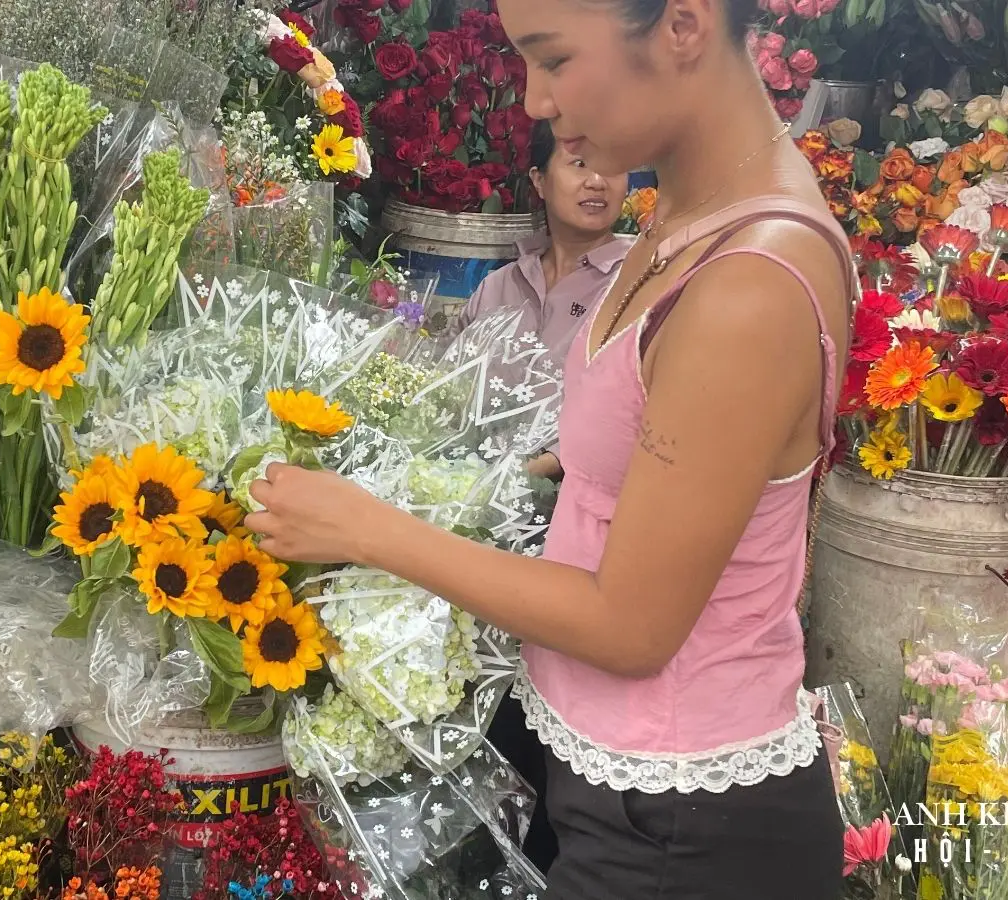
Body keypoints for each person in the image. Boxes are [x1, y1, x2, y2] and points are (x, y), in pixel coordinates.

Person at [242, 0, 855, 894]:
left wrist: (369, 530)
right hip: (618, 789)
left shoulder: (747, 284)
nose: (533, 100)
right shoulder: (692, 215)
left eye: (553, 58)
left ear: (682, 25)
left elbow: (632, 625)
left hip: (679, 828)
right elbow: (653, 455)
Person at [451, 121, 633, 482]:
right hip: (464, 488)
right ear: (539, 180)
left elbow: (641, 410)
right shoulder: (498, 286)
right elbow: (444, 387)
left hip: (576, 507)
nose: (598, 180)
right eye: (580, 163)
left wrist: (536, 469)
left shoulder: (637, 284)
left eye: (613, 164)